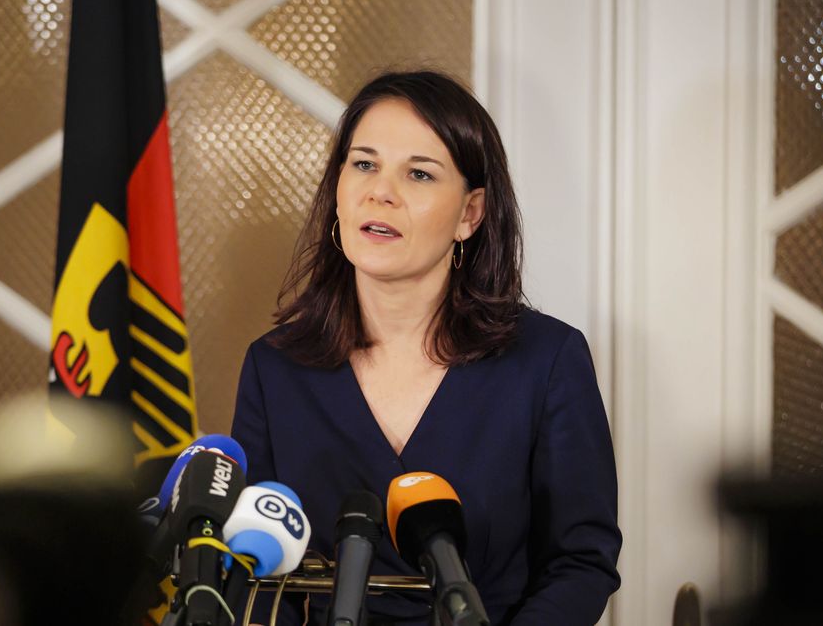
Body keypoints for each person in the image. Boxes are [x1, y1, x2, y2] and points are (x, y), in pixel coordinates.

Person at [231, 70, 620, 625]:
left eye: (418, 173)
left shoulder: (546, 360)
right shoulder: (275, 367)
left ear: (470, 214)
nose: (380, 192)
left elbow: (582, 561)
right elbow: (257, 574)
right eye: (363, 164)